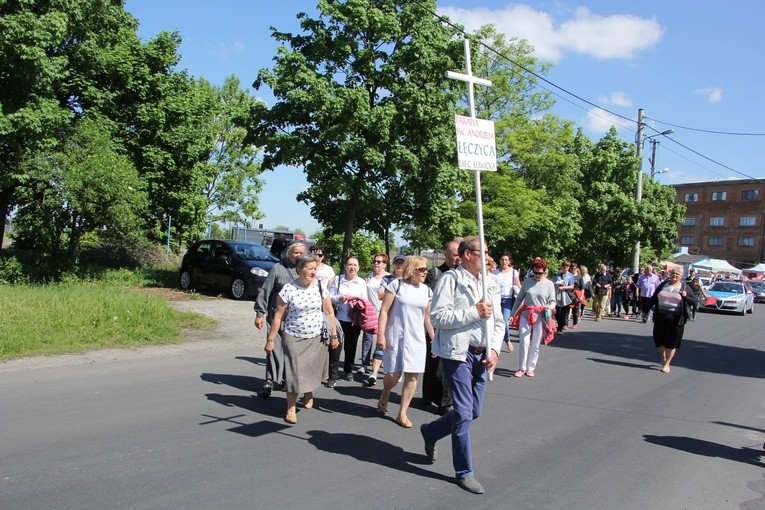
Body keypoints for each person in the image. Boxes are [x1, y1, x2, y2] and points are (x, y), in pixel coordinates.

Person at [419, 236, 502, 495]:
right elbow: (439, 317)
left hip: (482, 354)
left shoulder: (491, 283)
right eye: (483, 252)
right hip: (458, 353)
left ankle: (431, 431)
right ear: (467, 254)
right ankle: (464, 472)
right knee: (464, 413)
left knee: (473, 411)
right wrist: (474, 312)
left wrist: (496, 348)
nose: (488, 257)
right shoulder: (450, 280)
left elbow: (499, 321)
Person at [265, 254, 340, 424]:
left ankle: (308, 391)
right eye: (310, 268)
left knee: (311, 369)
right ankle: (291, 408)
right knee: (294, 373)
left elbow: (329, 312)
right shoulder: (288, 289)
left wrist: (334, 335)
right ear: (299, 270)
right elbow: (278, 316)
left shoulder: (321, 286)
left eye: (315, 268)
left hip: (316, 337)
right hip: (293, 337)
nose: (314, 272)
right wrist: (270, 340)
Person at [376, 256, 435, 428]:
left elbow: (427, 318)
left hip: (417, 338)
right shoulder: (397, 285)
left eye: (426, 269)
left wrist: (434, 339)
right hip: (397, 335)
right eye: (422, 269)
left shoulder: (427, 291)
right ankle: (386, 391)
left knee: (412, 375)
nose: (425, 272)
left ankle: (402, 413)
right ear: (412, 269)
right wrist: (381, 335)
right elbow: (384, 311)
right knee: (393, 375)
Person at [254, 241, 306, 397]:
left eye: (301, 253)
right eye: (296, 252)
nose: (299, 255)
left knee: (292, 351)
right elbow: (266, 290)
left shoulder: (305, 270)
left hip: (296, 320)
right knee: (273, 348)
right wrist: (259, 313)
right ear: (288, 253)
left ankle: (287, 378)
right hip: (276, 316)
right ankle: (269, 380)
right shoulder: (278, 268)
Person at [423, 240, 461, 414]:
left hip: (454, 323)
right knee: (433, 364)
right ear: (445, 255)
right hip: (435, 323)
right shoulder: (435, 273)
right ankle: (430, 396)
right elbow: (429, 300)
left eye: (459, 255)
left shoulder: (462, 274)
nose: (458, 259)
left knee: (443, 366)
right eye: (454, 255)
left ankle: (443, 401)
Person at [510, 257, 556, 378]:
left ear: (544, 271)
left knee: (535, 343)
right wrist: (512, 314)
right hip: (526, 314)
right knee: (524, 342)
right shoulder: (527, 282)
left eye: (540, 273)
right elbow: (519, 298)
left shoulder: (549, 284)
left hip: (540, 316)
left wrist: (548, 307)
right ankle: (522, 368)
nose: (537, 275)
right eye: (535, 272)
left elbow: (553, 301)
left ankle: (531, 367)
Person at [647, 268, 698, 373]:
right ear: (670, 274)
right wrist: (645, 310)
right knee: (658, 341)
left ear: (681, 276)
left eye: (677, 274)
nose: (674, 275)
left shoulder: (685, 287)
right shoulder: (663, 285)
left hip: (676, 320)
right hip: (660, 318)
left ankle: (667, 363)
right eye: (673, 273)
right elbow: (654, 298)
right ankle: (663, 356)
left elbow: (695, 301)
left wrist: (686, 296)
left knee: (672, 343)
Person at [330, 256, 368, 383]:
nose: (352, 267)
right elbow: (329, 297)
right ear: (345, 266)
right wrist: (338, 298)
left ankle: (348, 370)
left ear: (358, 267)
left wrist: (358, 302)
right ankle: (333, 375)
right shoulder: (338, 279)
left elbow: (365, 301)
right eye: (350, 265)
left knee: (351, 347)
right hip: (338, 318)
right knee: (335, 347)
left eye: (355, 265)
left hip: (354, 319)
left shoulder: (362, 282)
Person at [360, 252, 392, 384]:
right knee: (367, 339)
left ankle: (380, 363)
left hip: (383, 312)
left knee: (382, 338)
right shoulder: (368, 276)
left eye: (379, 261)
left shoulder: (389, 278)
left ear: (385, 264)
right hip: (369, 312)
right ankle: (364, 364)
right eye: (375, 261)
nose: (376, 263)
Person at [496, 252, 521, 351]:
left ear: (509, 261)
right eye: (502, 259)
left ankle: (508, 341)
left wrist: (524, 296)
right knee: (496, 322)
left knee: (505, 322)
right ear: (500, 261)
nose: (504, 261)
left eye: (506, 260)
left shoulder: (513, 272)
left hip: (508, 300)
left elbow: (518, 285)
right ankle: (497, 343)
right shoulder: (495, 272)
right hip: (497, 299)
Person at [552, 261, 575, 332]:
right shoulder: (557, 275)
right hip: (557, 295)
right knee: (557, 312)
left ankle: (560, 328)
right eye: (564, 266)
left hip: (566, 296)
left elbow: (572, 286)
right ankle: (560, 324)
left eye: (567, 266)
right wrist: (557, 285)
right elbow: (553, 284)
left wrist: (564, 287)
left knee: (564, 312)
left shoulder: (570, 276)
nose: (565, 267)